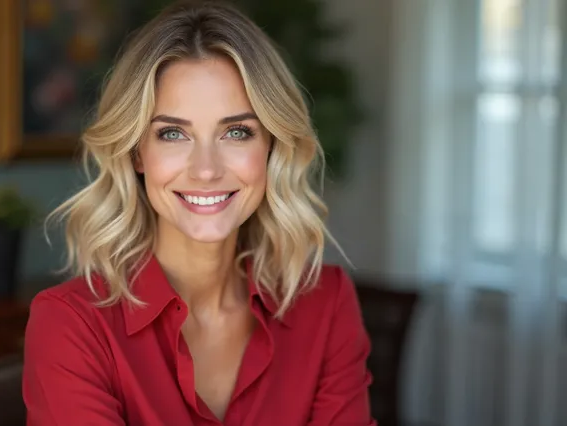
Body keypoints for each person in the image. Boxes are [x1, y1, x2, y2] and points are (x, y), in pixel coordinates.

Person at [22, 1, 376, 425]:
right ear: (137, 152)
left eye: (237, 132)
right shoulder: (71, 325)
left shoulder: (326, 305)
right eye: (173, 133)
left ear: (272, 147)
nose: (206, 169)